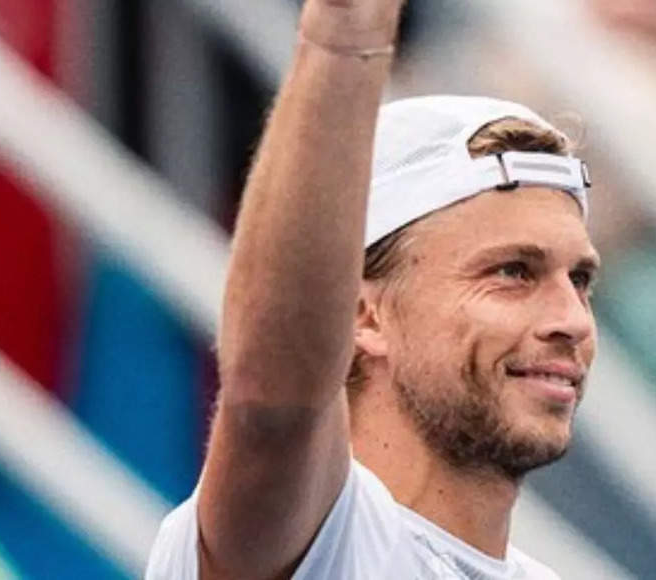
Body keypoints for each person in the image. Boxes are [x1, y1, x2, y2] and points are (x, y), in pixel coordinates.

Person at [145, 0, 602, 577]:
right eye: (513, 272)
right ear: (361, 315)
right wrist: (343, 36)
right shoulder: (331, 540)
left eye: (580, 279)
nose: (573, 320)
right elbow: (271, 397)